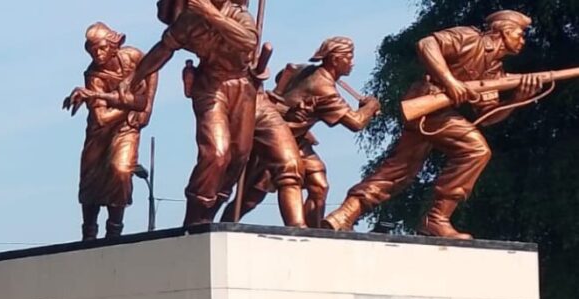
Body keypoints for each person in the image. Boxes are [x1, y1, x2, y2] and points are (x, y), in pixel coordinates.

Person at [323, 11, 543, 239]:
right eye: (521, 34)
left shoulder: (494, 71)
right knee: (476, 150)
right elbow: (427, 44)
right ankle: (436, 219)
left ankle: (344, 215)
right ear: (505, 31)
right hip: (428, 106)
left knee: (398, 172)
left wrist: (516, 100)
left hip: (435, 115)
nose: (523, 40)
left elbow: (487, 116)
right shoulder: (468, 37)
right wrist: (450, 82)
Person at [127, 0, 259, 226]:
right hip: (210, 85)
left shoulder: (238, 14)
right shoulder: (190, 19)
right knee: (216, 154)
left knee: (239, 157)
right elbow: (164, 49)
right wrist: (134, 78)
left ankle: (209, 214)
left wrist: (211, 14)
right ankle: (194, 216)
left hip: (242, 85)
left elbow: (248, 41)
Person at [223, 37, 380, 227]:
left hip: (298, 140)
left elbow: (283, 74)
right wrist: (371, 106)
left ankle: (315, 234)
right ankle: (226, 227)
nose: (352, 63)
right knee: (251, 195)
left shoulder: (306, 70)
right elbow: (356, 123)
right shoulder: (324, 89)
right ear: (335, 60)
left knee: (319, 184)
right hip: (274, 139)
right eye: (348, 57)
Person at [64, 22, 158, 241]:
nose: (98, 53)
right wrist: (133, 105)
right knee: (92, 181)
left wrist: (148, 105)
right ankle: (89, 235)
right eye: (93, 49)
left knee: (121, 170)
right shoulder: (94, 76)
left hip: (127, 128)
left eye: (103, 48)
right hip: (100, 133)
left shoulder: (132, 56)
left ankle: (114, 233)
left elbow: (153, 71)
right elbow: (102, 117)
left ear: (115, 45)